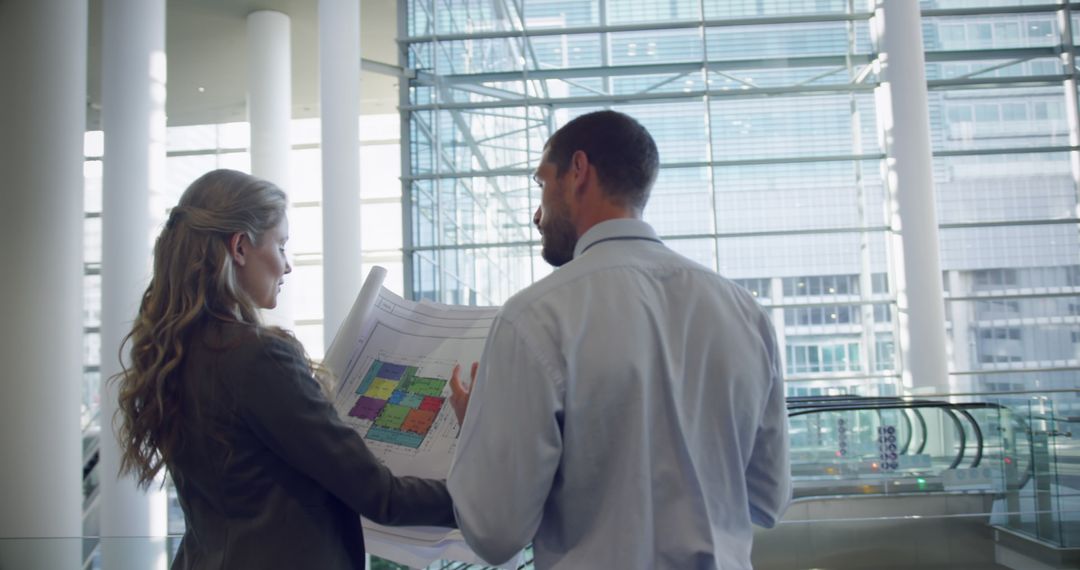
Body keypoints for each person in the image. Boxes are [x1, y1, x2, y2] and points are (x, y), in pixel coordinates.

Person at [446, 111, 792, 569]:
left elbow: (495, 534)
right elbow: (770, 498)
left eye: (541, 184)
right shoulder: (745, 313)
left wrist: (481, 433)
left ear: (578, 171)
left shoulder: (535, 316)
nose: (537, 212)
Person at [113, 169, 455, 570]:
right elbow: (381, 496)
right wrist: (489, 499)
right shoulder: (257, 357)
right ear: (240, 247)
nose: (287, 266)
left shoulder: (177, 353)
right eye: (282, 245)